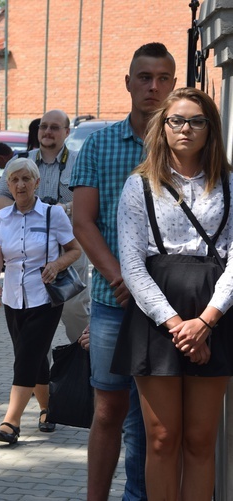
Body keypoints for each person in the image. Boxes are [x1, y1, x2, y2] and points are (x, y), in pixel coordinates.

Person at [113, 87, 233, 500]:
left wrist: (206, 321)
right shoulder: (139, 186)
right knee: (162, 439)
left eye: (196, 121)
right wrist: (178, 325)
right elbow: (131, 265)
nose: (186, 128)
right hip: (156, 317)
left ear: (210, 129)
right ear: (161, 128)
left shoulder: (230, 184)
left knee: (200, 441)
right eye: (176, 120)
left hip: (216, 312)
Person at [71, 42, 176, 501]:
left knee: (156, 420)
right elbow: (82, 221)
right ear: (129, 82)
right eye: (144, 77)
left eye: (162, 78)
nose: (153, 87)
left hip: (172, 304)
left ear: (173, 83)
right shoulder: (100, 143)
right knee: (110, 409)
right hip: (115, 302)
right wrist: (120, 279)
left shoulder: (184, 142)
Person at [0, 157, 82, 444]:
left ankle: (11, 422)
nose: (20, 185)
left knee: (26, 356)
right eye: (14, 180)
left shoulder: (54, 214)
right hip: (13, 298)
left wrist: (58, 264)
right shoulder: (1, 217)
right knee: (35, 356)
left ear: (36, 183)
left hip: (46, 298)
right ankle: (48, 408)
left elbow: (74, 249)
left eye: (26, 179)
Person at [0, 109, 89, 345]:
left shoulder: (79, 162)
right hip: (30, 254)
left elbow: (88, 202)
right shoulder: (19, 161)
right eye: (43, 126)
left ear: (67, 132)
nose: (47, 132)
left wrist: (60, 212)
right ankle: (38, 377)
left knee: (75, 313)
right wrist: (29, 214)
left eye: (55, 127)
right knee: (32, 323)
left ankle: (81, 372)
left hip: (69, 250)